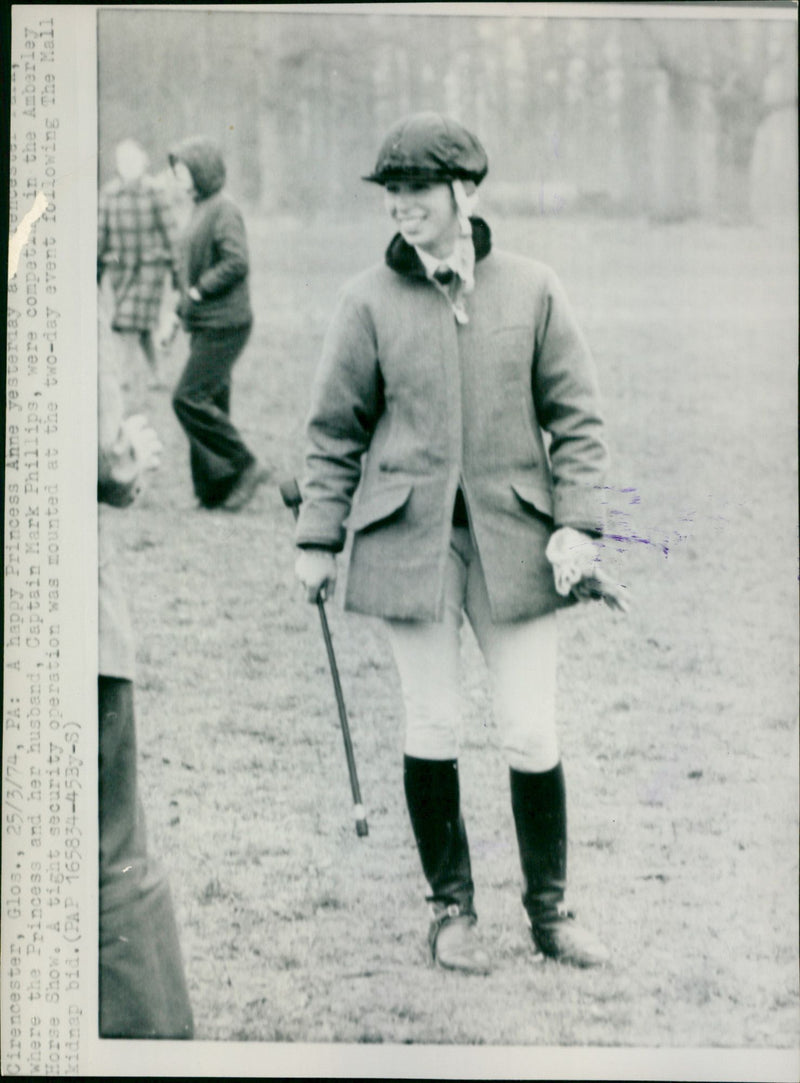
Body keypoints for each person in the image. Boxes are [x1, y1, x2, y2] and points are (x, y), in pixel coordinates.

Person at [293, 112, 626, 975]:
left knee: (530, 729)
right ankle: (452, 911)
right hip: (410, 544)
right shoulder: (365, 301)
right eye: (391, 191)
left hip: (516, 541)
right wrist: (317, 537)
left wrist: (577, 524)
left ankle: (550, 913)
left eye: (417, 189)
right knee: (433, 720)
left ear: (463, 191)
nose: (401, 205)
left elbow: (578, 420)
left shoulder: (533, 288)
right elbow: (334, 431)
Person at [98, 334, 194, 1037]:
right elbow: (106, 458)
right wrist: (127, 455)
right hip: (77, 635)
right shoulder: (65, 305)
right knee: (112, 857)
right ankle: (148, 1041)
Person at [165, 135, 268, 511]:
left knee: (187, 398)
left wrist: (198, 291)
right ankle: (213, 490)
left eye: (183, 172)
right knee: (211, 401)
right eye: (176, 173)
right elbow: (189, 271)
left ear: (202, 171)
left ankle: (246, 465)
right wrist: (177, 315)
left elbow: (236, 261)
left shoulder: (224, 209)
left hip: (226, 323)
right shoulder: (199, 208)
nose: (178, 179)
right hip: (204, 322)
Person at [97, 138, 181, 398]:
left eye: (134, 160)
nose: (129, 166)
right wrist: (97, 267)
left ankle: (123, 376)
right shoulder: (109, 194)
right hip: (121, 270)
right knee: (142, 325)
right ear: (118, 166)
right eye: (124, 161)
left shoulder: (155, 192)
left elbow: (171, 233)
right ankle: (158, 375)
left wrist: (177, 269)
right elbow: (101, 233)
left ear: (143, 163)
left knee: (128, 321)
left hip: (150, 268)